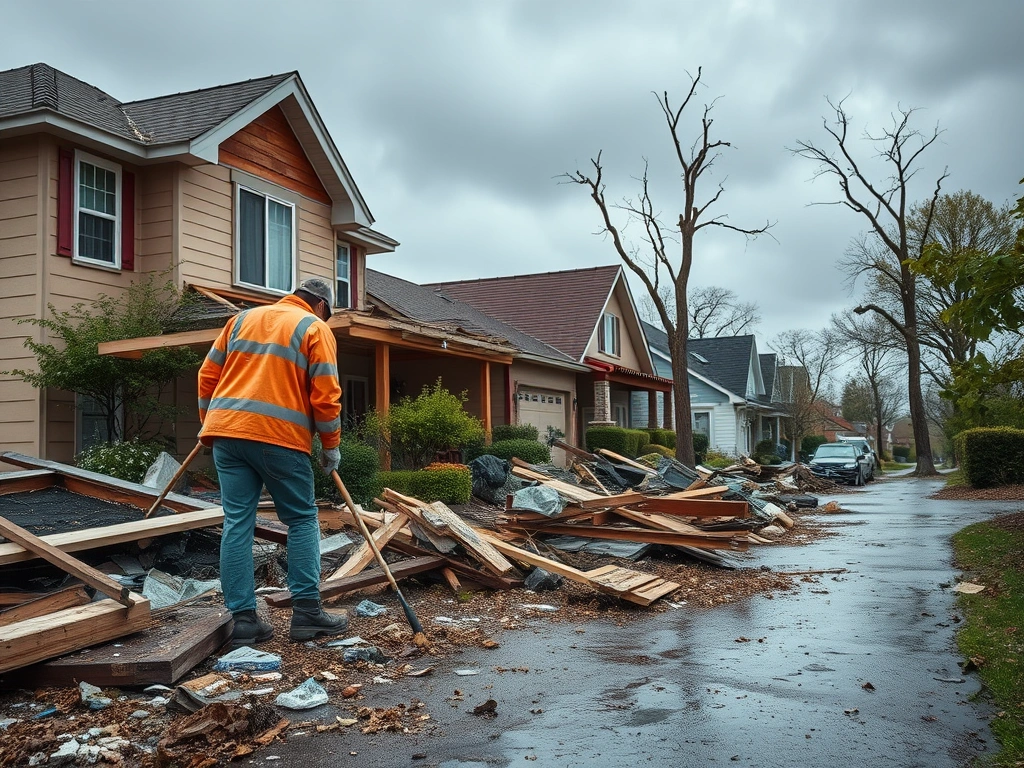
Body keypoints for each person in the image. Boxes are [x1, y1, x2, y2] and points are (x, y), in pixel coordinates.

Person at [198, 277, 348, 646]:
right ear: (321, 305)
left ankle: (244, 621)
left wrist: (210, 424)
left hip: (227, 436)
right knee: (301, 519)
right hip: (278, 439)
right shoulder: (314, 327)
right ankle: (307, 613)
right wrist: (330, 445)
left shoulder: (240, 320)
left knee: (237, 523)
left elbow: (207, 377)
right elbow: (326, 395)